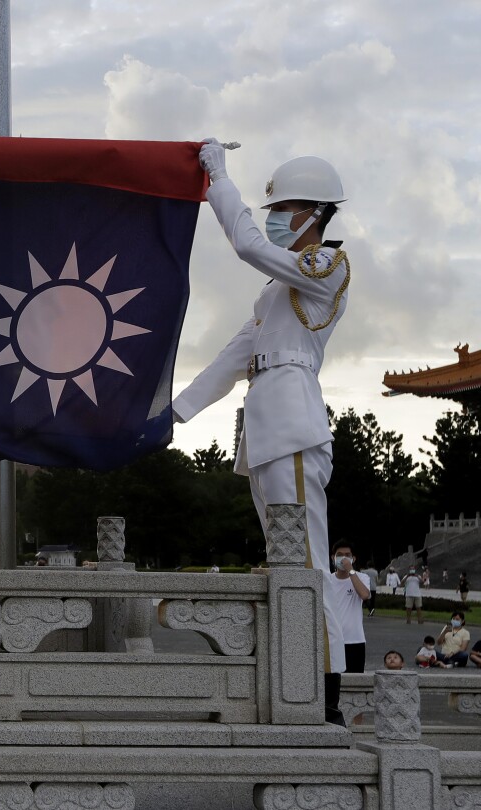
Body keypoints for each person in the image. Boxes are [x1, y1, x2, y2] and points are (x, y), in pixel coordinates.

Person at [175, 144, 351, 725]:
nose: (277, 217)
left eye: (287, 208)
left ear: (316, 216)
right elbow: (233, 357)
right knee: (287, 563)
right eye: (274, 207)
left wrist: (218, 182)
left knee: (306, 563)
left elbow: (249, 244)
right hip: (268, 424)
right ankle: (296, 680)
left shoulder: (327, 266)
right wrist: (173, 416)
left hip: (293, 422)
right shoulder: (275, 292)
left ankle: (322, 694)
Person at [325, 542, 370, 675]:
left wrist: (350, 570)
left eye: (347, 555)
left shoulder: (362, 577)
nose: (343, 559)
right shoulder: (327, 580)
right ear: (333, 557)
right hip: (332, 640)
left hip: (355, 640)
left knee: (354, 682)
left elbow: (364, 595)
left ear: (353, 558)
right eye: (339, 555)